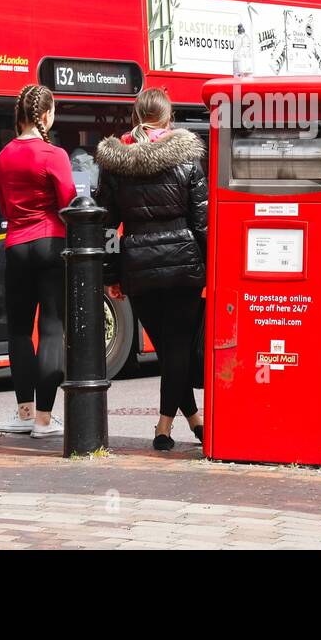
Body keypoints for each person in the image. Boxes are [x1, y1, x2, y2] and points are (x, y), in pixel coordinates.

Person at [96, 88, 208, 451]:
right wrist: (212, 265)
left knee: (168, 350)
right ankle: (163, 427)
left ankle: (193, 420)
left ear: (135, 117)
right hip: (183, 265)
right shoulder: (188, 157)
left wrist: (111, 275)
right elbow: (202, 220)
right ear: (168, 116)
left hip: (138, 269)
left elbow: (108, 229)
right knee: (175, 349)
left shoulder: (116, 163)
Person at [0, 84, 77, 438]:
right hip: (50, 242)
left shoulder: (3, 156)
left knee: (19, 332)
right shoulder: (54, 155)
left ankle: (24, 413)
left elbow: (2, 206)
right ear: (45, 116)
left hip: (16, 245)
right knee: (52, 328)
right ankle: (44, 419)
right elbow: (70, 203)